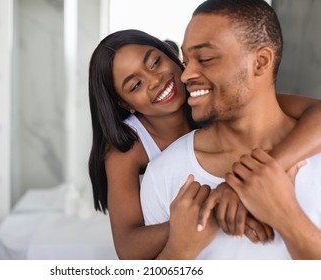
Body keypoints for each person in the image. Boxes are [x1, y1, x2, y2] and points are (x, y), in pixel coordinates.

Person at [88, 29, 321, 259]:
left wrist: (261, 176)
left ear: (172, 55)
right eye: (135, 85)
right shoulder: (126, 148)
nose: (155, 80)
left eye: (156, 62)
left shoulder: (214, 95)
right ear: (124, 103)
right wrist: (207, 214)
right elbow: (128, 249)